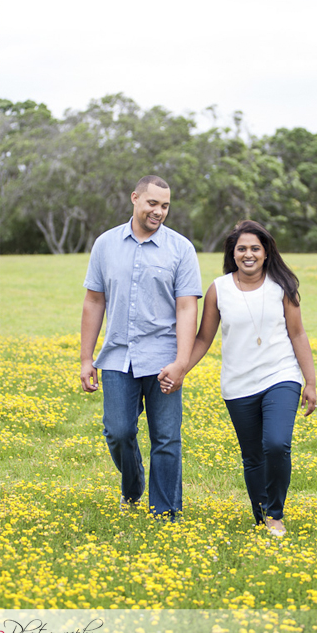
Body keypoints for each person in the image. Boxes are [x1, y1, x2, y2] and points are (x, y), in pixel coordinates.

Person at [159, 220, 317, 537]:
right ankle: (262, 518)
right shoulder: (220, 289)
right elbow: (203, 338)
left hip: (281, 376)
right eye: (241, 248)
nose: (248, 254)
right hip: (238, 385)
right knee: (253, 456)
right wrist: (180, 369)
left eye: (255, 248)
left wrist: (310, 382)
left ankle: (275, 514)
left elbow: (297, 334)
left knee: (276, 443)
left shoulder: (282, 287)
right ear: (233, 253)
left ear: (266, 252)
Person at [80, 175, 202, 519]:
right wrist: (86, 358)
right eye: (152, 203)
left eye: (165, 206)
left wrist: (181, 362)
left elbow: (187, 307)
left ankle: (164, 510)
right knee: (118, 431)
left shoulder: (181, 249)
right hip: (118, 356)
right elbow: (93, 300)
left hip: (164, 357)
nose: (159, 211)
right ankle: (133, 489)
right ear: (135, 198)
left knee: (165, 437)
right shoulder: (105, 244)